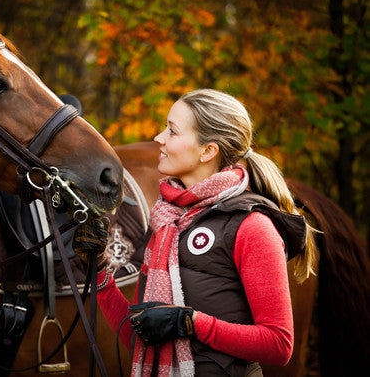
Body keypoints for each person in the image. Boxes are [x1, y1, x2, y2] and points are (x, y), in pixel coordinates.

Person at [96, 89, 316, 376]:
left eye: (172, 131)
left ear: (207, 151)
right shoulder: (167, 223)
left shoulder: (252, 226)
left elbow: (279, 344)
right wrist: (98, 271)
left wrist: (190, 322)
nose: (158, 139)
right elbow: (141, 343)